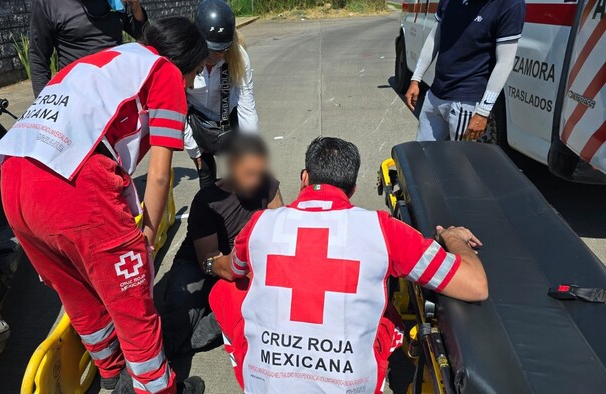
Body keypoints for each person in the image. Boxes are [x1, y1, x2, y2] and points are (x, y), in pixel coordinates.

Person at [0, 18, 208, 394]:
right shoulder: (165, 72)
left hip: (13, 179)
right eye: (196, 74)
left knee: (75, 289)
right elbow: (159, 175)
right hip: (72, 188)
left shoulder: (106, 61)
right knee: (133, 302)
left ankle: (110, 369)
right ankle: (158, 388)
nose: (192, 85)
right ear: (184, 61)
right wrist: (148, 237)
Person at [207, 137, 488, 393]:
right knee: (384, 310)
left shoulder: (260, 224)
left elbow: (230, 269)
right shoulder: (383, 230)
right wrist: (453, 239)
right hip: (348, 386)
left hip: (266, 385)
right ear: (352, 189)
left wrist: (212, 262)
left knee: (226, 290)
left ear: (304, 178)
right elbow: (475, 285)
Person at [162, 135, 282, 358]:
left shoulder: (267, 184)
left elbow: (280, 229)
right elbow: (208, 260)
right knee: (177, 324)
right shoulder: (207, 201)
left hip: (241, 263)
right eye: (249, 174)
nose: (256, 181)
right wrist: (235, 268)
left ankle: (215, 320)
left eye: (260, 172)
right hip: (200, 263)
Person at [405, 0, 525, 142]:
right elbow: (434, 39)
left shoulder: (510, 4)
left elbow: (505, 63)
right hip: (435, 95)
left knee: (459, 161)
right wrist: (416, 79)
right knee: (423, 156)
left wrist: (483, 112)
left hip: (465, 103)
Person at [185, 0, 259, 189]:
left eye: (221, 50)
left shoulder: (239, 57)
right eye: (209, 50)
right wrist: (193, 148)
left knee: (244, 172)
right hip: (197, 120)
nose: (215, 56)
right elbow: (176, 106)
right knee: (206, 173)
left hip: (228, 116)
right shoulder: (184, 57)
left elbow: (246, 104)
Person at [29, 0, 148, 97]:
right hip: (77, 97)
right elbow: (38, 58)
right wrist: (44, 103)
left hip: (118, 92)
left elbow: (141, 34)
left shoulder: (114, 2)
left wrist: (135, 7)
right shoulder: (47, 3)